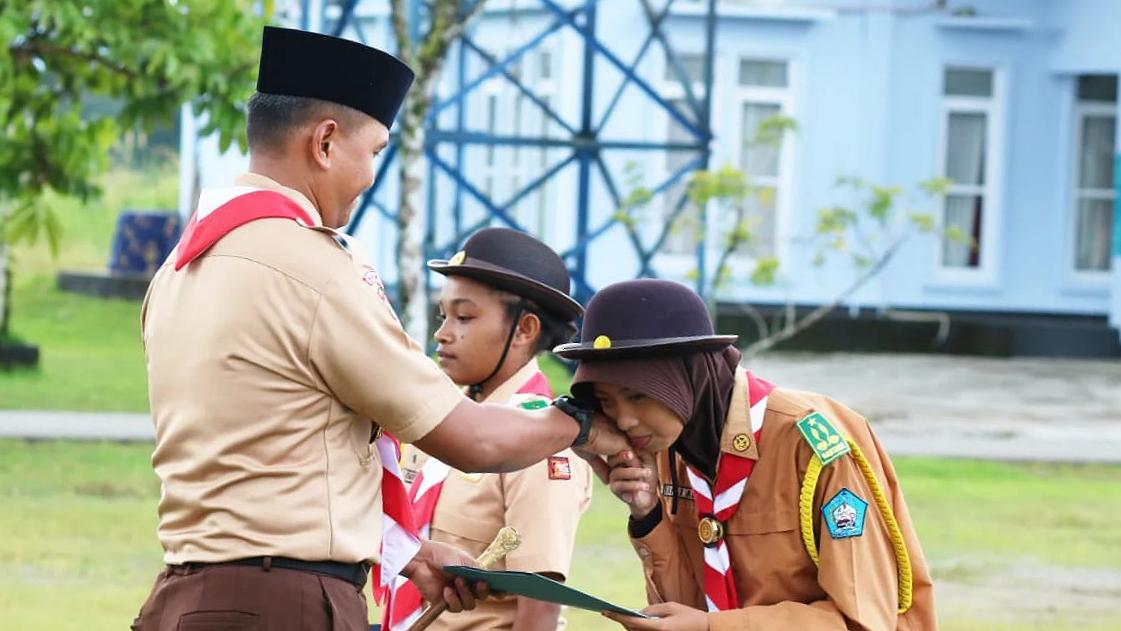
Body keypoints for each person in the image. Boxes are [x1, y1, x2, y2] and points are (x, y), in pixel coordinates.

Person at [133, 27, 625, 631]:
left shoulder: (183, 266)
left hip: (185, 596)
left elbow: (277, 453)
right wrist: (583, 419)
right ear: (326, 142)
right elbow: (474, 441)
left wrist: (406, 553)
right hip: (279, 605)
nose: (370, 175)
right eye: (375, 150)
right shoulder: (311, 267)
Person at [552, 279, 937, 631]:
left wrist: (710, 627)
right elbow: (688, 609)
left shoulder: (810, 442)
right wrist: (648, 511)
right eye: (606, 401)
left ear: (691, 378)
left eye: (638, 395)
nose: (626, 420)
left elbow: (863, 618)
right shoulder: (670, 445)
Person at [384, 228, 593, 630]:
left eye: (464, 317)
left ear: (525, 330)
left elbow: (540, 610)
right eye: (442, 315)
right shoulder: (440, 422)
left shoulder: (539, 445)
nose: (442, 333)